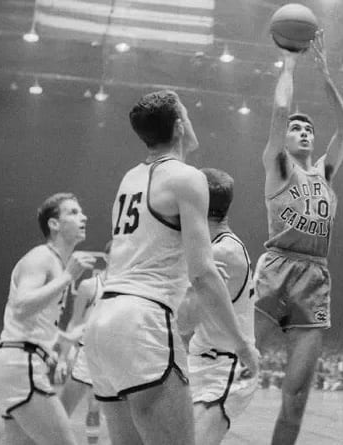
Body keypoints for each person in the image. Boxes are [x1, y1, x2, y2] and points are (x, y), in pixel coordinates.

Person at [84, 90, 259, 445]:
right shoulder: (186, 177)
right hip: (143, 319)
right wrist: (242, 345)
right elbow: (203, 273)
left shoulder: (129, 178)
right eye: (189, 116)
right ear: (179, 126)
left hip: (102, 322)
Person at [253, 31, 343, 445]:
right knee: (233, 363)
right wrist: (290, 64)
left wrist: (327, 77)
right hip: (276, 266)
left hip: (314, 277)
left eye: (308, 128)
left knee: (296, 396)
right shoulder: (277, 165)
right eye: (297, 128)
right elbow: (280, 110)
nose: (304, 131)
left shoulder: (325, 173)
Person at [0, 193, 96, 445]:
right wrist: (68, 277)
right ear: (53, 224)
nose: (84, 216)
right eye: (73, 212)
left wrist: (66, 338)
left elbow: (33, 321)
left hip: (12, 366)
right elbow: (22, 307)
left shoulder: (56, 263)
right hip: (19, 366)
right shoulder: (41, 257)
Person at [177, 168, 258, 445]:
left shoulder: (222, 253)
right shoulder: (212, 247)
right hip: (201, 363)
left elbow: (185, 322)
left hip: (225, 369)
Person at [58, 241, 111, 444]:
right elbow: (74, 321)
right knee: (63, 409)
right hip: (86, 354)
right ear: (106, 257)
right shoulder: (90, 286)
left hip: (112, 355)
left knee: (96, 407)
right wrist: (63, 357)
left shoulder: (128, 288)